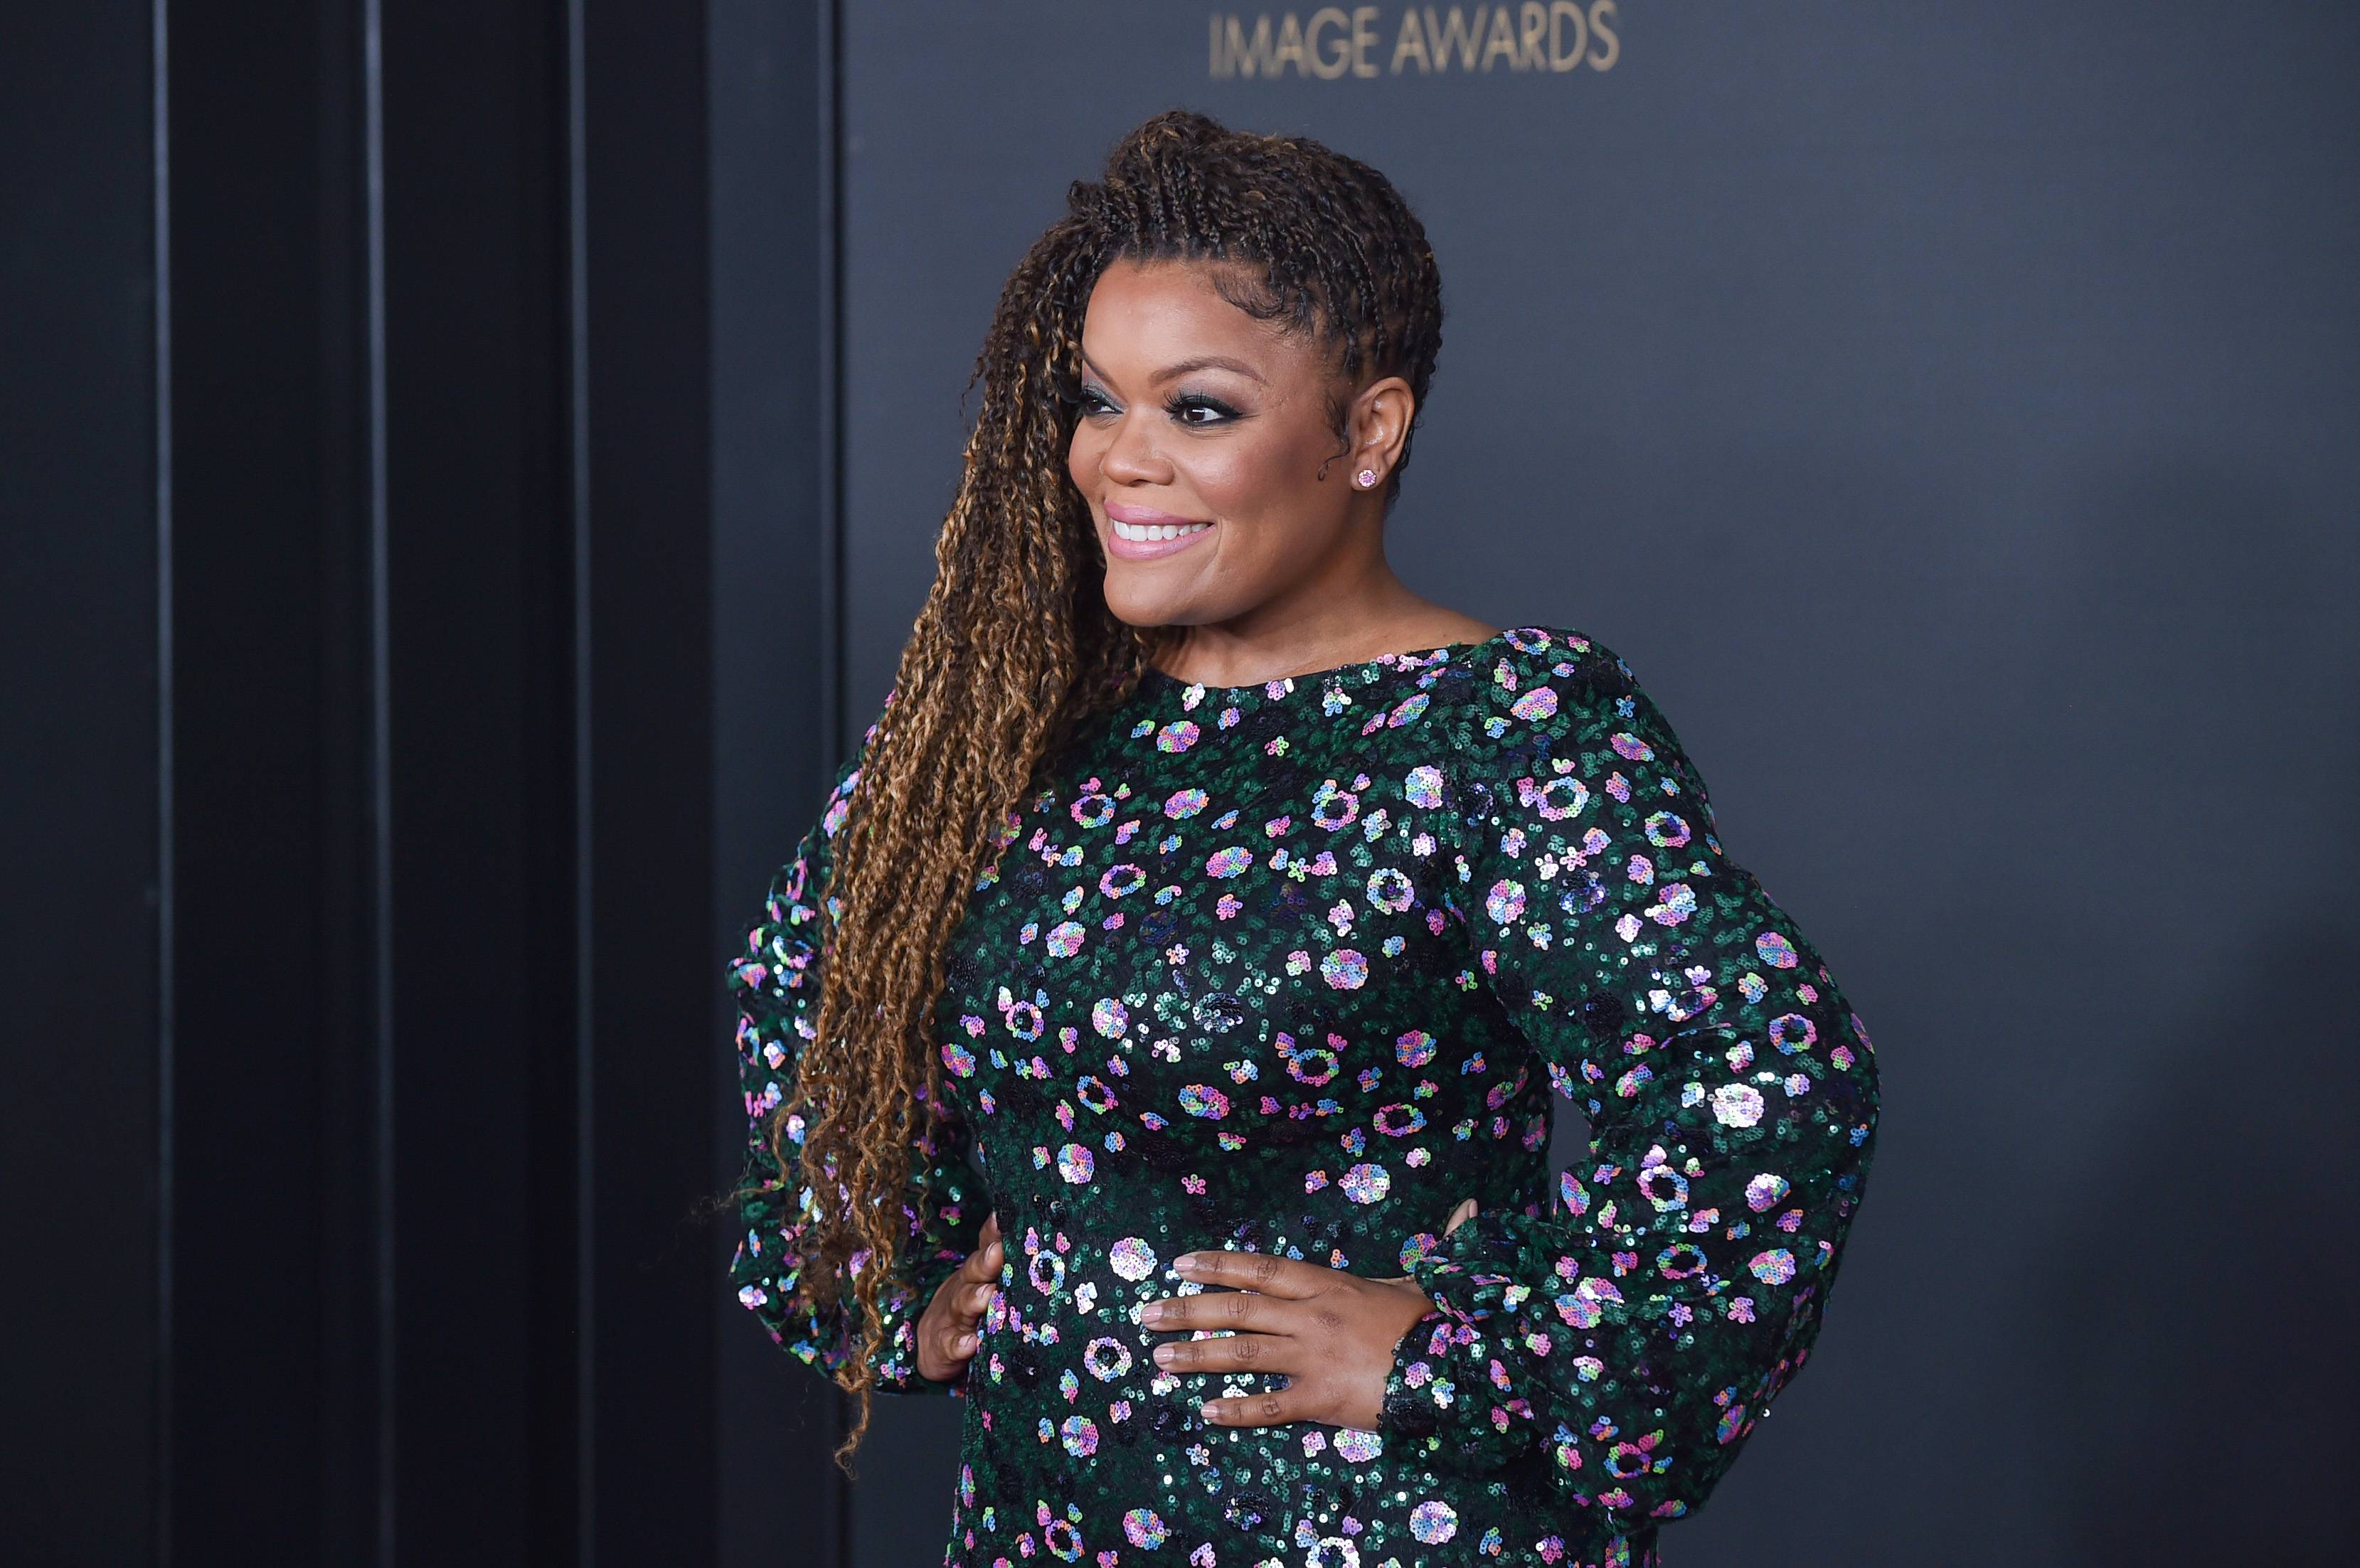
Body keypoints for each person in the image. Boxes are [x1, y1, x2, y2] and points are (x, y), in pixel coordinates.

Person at [727, 108, 1878, 1568]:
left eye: (1197, 408)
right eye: (1095, 399)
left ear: (1369, 429)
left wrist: (1472, 1351)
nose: (1117, 460)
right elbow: (809, 985)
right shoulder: (1011, 724)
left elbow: (1767, 1083)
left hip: (1380, 1524)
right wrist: (898, 1283)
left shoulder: (1499, 733)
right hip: (1045, 1525)